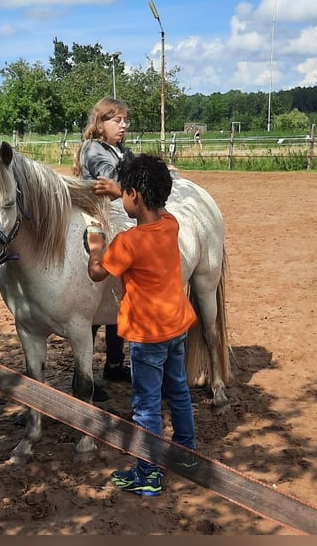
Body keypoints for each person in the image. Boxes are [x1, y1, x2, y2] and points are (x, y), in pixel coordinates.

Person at [85, 153, 198, 497]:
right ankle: (186, 453)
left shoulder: (128, 243)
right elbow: (152, 207)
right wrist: (126, 190)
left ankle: (148, 472)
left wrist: (95, 248)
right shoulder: (171, 223)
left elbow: (97, 274)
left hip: (148, 336)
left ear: (134, 195)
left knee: (146, 405)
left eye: (126, 194)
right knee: (177, 390)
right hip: (177, 325)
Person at [73, 98, 133, 398]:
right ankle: (82, 375)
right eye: (117, 120)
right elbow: (112, 177)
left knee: (115, 294)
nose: (123, 126)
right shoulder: (95, 150)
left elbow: (134, 169)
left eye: (125, 120)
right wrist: (141, 181)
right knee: (97, 300)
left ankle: (114, 362)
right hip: (100, 221)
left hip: (115, 216)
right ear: (100, 123)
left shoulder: (119, 149)